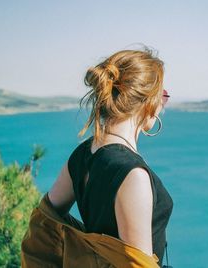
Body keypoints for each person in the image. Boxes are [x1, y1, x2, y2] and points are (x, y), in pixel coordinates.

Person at [46, 46, 174, 267]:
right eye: (162, 95)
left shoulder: (82, 155)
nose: (163, 103)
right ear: (148, 101)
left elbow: (44, 221)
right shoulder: (133, 174)